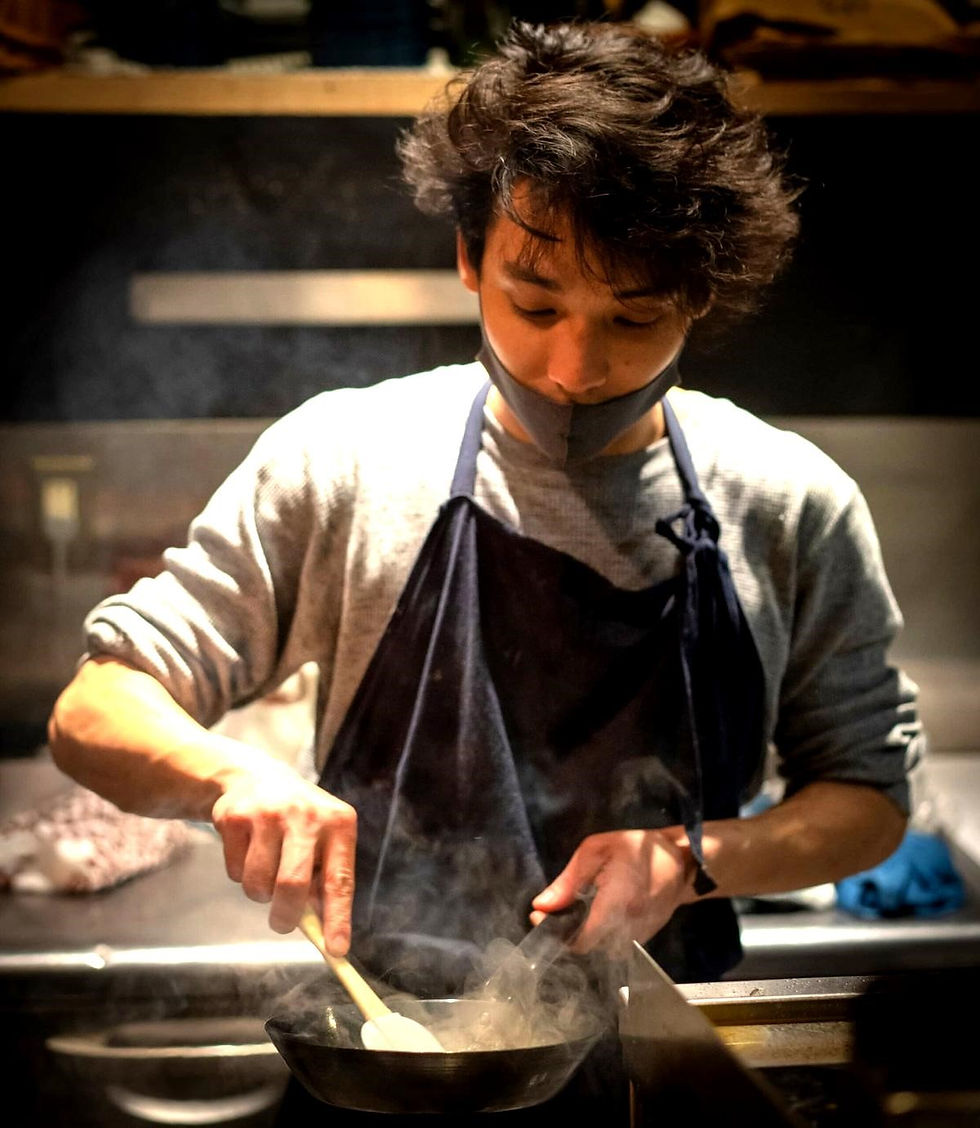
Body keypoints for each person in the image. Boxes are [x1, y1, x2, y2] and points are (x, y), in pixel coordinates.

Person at [47, 17, 921, 1121]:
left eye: (634, 317)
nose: (571, 365)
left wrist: (692, 857)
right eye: (535, 300)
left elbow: (866, 799)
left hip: (669, 1071)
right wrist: (231, 778)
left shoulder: (786, 502)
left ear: (700, 296)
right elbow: (96, 706)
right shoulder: (348, 460)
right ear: (470, 256)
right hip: (388, 1071)